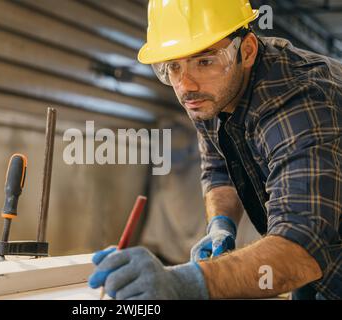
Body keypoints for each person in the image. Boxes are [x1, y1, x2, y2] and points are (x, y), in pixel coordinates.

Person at [88, 0, 341, 300]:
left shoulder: (300, 104)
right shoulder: (213, 93)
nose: (185, 85)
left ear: (246, 51)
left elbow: (302, 249)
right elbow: (219, 168)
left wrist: (186, 283)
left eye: (204, 61)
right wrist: (221, 226)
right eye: (172, 67)